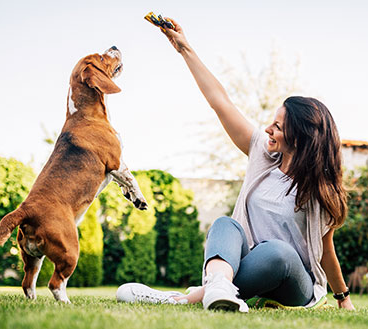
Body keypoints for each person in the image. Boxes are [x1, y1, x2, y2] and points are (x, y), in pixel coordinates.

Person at [116, 18, 355, 312]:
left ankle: (185, 297)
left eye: (278, 126)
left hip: (294, 283)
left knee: (278, 252)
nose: (268, 129)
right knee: (225, 224)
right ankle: (218, 289)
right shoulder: (263, 156)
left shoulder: (318, 190)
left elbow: (326, 251)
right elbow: (221, 102)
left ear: (300, 137)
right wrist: (184, 48)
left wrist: (343, 298)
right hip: (249, 269)